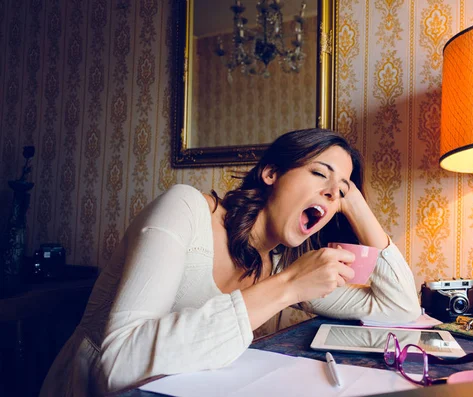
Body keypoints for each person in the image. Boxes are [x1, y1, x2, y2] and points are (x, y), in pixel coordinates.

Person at [40, 128, 420, 396]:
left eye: (339, 191)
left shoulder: (280, 266)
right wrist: (287, 287)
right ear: (271, 172)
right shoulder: (186, 208)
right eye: (319, 173)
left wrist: (355, 203)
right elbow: (117, 365)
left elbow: (399, 305)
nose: (330, 191)